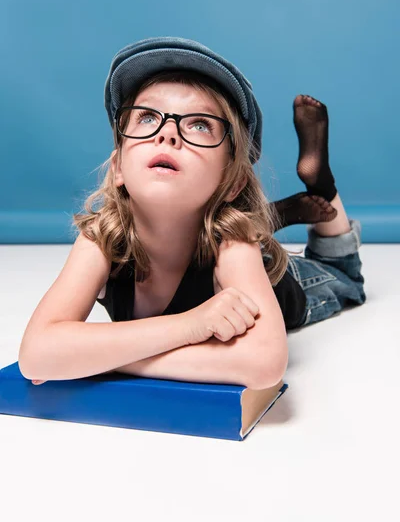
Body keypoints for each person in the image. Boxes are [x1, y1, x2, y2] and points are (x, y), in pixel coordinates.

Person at [23, 36, 367, 387]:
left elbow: (264, 364)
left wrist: (99, 359)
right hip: (231, 236)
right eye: (146, 117)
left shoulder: (233, 247)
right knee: (257, 234)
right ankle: (275, 214)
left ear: (230, 182)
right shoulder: (101, 240)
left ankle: (322, 187)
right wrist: (192, 324)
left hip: (289, 282)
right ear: (118, 168)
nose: (168, 133)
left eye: (199, 125)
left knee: (342, 273)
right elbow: (36, 355)